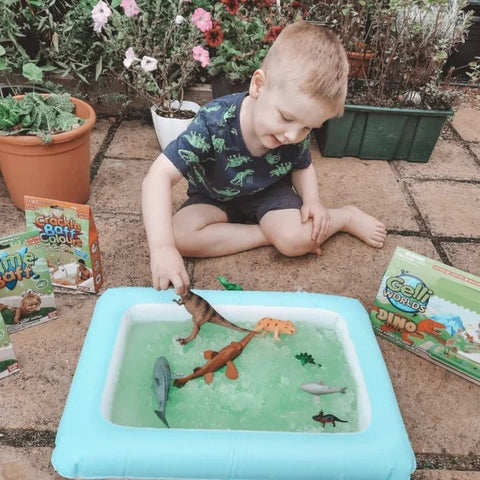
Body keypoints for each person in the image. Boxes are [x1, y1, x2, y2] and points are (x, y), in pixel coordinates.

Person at [142, 21, 386, 295]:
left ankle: (345, 217)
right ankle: (268, 234)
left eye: (307, 128)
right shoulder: (213, 122)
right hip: (214, 196)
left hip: (270, 193)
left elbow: (302, 165)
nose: (293, 135)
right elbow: (158, 177)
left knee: (297, 240)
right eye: (286, 118)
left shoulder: (293, 130)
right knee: (179, 237)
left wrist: (313, 201)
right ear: (259, 85)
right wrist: (161, 248)